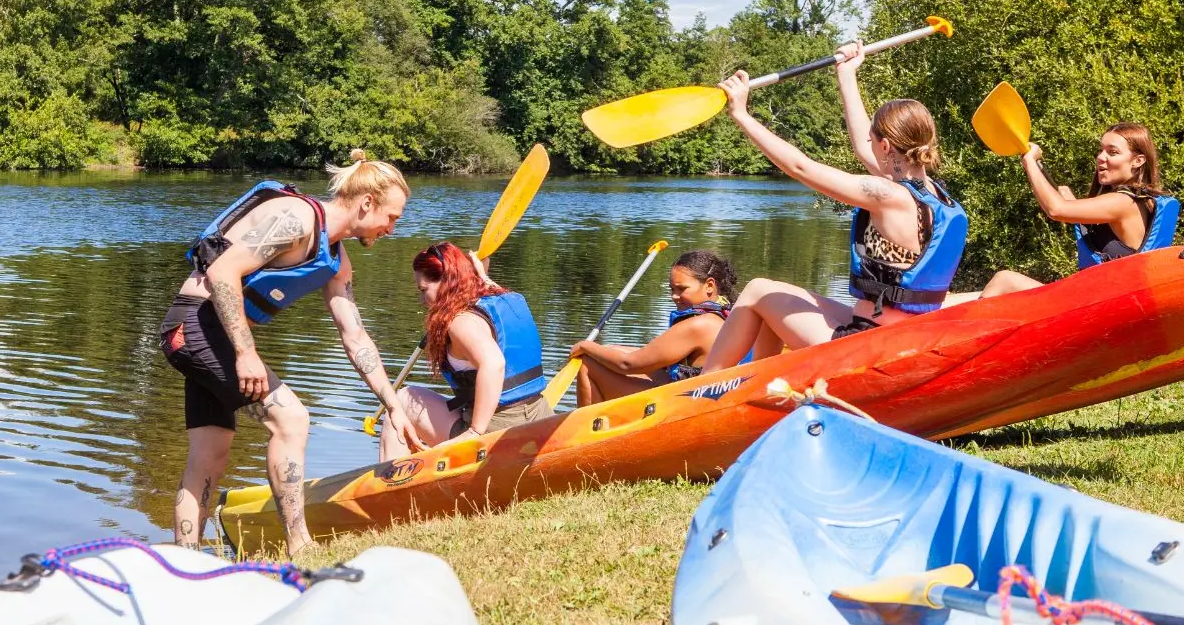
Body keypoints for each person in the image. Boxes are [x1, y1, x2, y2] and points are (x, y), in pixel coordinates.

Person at [158, 149, 424, 557]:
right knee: (291, 418)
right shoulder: (297, 219)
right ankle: (301, 548)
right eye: (392, 217)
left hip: (212, 333)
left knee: (210, 453)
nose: (392, 228)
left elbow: (355, 336)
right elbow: (222, 271)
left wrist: (393, 406)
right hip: (196, 326)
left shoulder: (336, 258)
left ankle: (184, 561)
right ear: (367, 203)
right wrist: (246, 353)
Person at [700, 42, 969, 371]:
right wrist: (846, 74)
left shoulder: (888, 196)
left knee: (757, 291)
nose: (868, 146)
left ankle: (704, 387)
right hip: (906, 332)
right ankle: (760, 391)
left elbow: (802, 168)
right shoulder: (937, 198)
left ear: (885, 146)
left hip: (870, 343)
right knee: (776, 299)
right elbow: (861, 145)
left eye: (874, 142)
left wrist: (741, 115)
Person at [963, 124, 1178, 300]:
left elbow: (1056, 209)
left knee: (1004, 280)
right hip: (1096, 303)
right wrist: (1068, 198)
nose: (1101, 158)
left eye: (1113, 152)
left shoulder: (1123, 203)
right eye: (1101, 150)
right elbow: (1075, 211)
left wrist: (1028, 161)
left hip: (1101, 311)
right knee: (1006, 280)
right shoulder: (1137, 201)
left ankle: (968, 348)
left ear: (1138, 161)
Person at [379, 242, 551, 460]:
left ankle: (390, 482)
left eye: (424, 290)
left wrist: (475, 432)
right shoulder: (509, 299)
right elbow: (487, 285)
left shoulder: (460, 322)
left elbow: (494, 364)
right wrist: (481, 274)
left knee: (403, 400)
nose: (422, 300)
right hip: (541, 415)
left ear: (448, 282)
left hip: (499, 430)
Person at [570, 249, 743, 406]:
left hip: (684, 405)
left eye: (681, 289)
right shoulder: (726, 311)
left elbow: (627, 364)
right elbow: (649, 357)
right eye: (672, 289)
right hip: (694, 393)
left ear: (710, 286)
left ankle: (584, 433)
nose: (674, 296)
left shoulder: (699, 324)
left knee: (588, 365)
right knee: (605, 352)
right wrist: (601, 350)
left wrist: (585, 346)